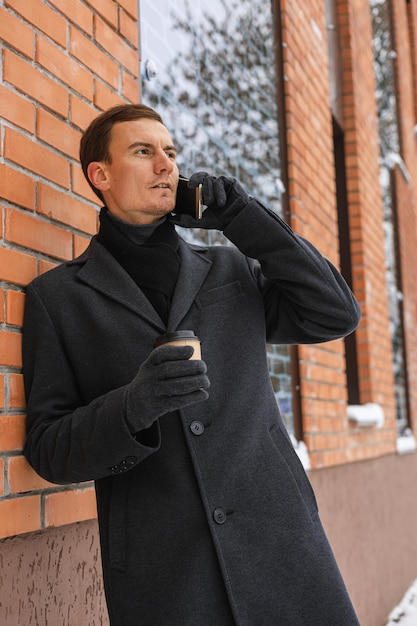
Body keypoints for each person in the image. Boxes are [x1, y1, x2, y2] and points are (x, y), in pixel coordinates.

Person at [23, 103, 361, 625]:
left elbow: (334, 312)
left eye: (171, 152)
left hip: (280, 545)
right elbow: (49, 449)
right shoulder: (59, 298)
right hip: (166, 576)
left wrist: (244, 219)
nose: (166, 165)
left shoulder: (230, 267)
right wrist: (133, 408)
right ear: (101, 175)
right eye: (144, 151)